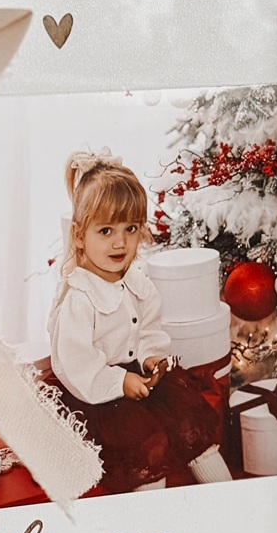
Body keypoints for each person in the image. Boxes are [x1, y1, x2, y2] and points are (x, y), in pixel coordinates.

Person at [45, 152, 234, 492]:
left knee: (187, 420)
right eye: (106, 231)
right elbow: (76, 364)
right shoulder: (80, 298)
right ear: (79, 236)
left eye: (130, 229)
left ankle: (227, 496)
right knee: (145, 443)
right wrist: (120, 382)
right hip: (100, 393)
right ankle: (152, 509)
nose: (120, 242)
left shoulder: (136, 281)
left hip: (138, 376)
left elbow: (148, 329)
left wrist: (150, 357)